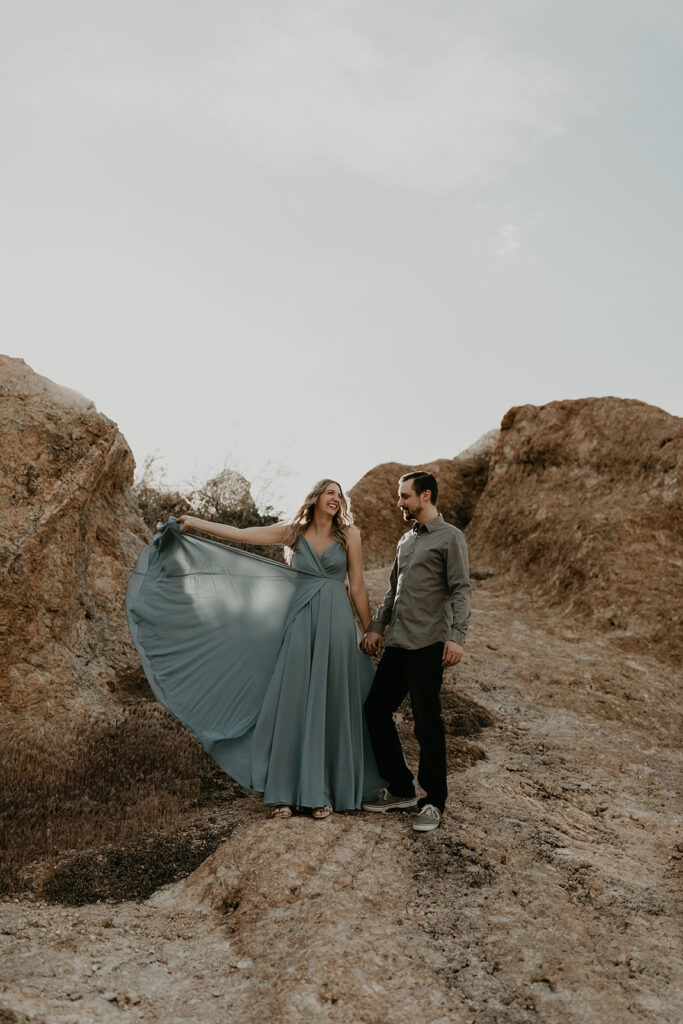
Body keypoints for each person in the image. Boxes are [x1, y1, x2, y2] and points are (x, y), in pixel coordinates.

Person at [125, 479, 384, 821]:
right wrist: (196, 523)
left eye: (340, 494)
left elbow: (358, 587)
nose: (336, 498)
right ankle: (286, 794)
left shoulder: (350, 535)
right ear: (316, 497)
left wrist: (370, 630)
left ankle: (322, 792)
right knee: (293, 703)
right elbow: (241, 534)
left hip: (336, 626)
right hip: (300, 623)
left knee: (329, 703)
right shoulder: (293, 532)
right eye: (330, 492)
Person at [360, 471, 471, 832]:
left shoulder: (450, 537)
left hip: (428, 645)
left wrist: (456, 636)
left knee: (427, 724)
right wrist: (377, 627)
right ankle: (401, 788)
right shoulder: (405, 541)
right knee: (376, 710)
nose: (400, 503)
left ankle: (434, 801)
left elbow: (460, 590)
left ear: (425, 496)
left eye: (405, 496)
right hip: (398, 644)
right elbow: (394, 591)